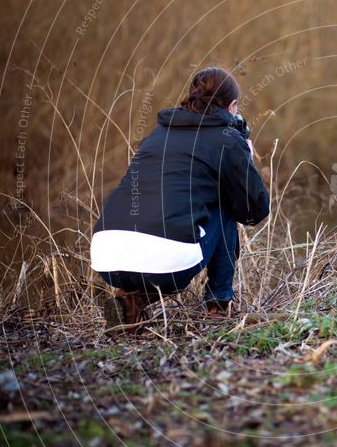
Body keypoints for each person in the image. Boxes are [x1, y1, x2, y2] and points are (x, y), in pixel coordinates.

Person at [90, 67, 270, 333]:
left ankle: (130, 300)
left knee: (154, 227)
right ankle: (218, 307)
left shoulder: (156, 135)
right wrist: (244, 156)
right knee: (224, 205)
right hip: (166, 259)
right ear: (232, 106)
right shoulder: (227, 140)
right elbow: (254, 210)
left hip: (106, 255)